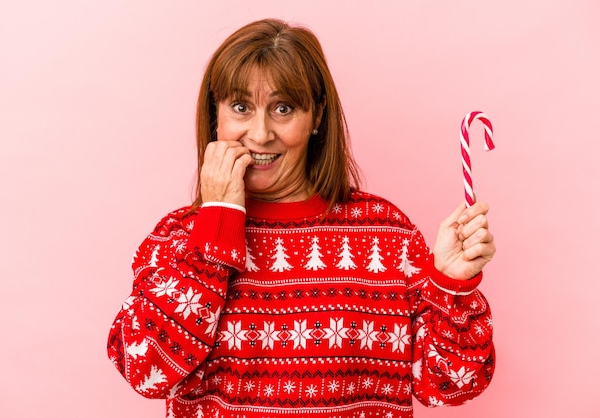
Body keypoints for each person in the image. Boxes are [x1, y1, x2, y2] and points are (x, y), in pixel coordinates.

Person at [107, 18, 496, 418]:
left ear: (317, 117)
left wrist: (452, 286)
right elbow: (145, 371)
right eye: (240, 107)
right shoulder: (178, 235)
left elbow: (451, 386)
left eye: (283, 108)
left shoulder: (386, 232)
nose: (259, 134)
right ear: (216, 115)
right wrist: (218, 223)